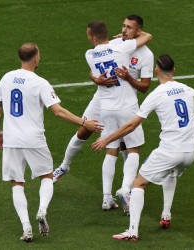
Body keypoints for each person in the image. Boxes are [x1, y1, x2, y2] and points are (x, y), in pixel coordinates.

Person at [92, 54, 194, 241]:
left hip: (171, 151)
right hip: (191, 152)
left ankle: (132, 231)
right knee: (171, 172)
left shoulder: (156, 95)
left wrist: (107, 139)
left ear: (156, 71)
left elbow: (131, 126)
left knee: (138, 184)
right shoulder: (185, 88)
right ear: (174, 70)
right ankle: (166, 215)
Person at [0, 42, 103, 242]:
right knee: (46, 176)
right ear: (35, 58)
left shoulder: (6, 78)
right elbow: (58, 111)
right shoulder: (40, 82)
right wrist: (85, 123)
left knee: (17, 183)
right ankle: (42, 210)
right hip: (34, 139)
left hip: (12, 139)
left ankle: (26, 228)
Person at [52, 16, 153, 212]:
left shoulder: (145, 55)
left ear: (138, 32)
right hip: (104, 98)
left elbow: (144, 87)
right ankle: (64, 167)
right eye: (123, 26)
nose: (123, 30)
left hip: (120, 99)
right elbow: (94, 70)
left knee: (120, 144)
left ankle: (121, 192)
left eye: (129, 28)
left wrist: (129, 79)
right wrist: (96, 80)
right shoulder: (119, 44)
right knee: (84, 131)